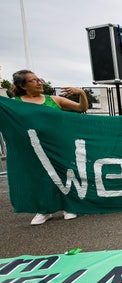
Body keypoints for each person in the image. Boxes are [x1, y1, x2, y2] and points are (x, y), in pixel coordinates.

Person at [10, 69, 88, 225]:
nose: (39, 83)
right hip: (32, 148)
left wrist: (81, 93)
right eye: (34, 80)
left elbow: (81, 108)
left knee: (65, 173)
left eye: (40, 80)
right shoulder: (14, 104)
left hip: (58, 145)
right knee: (39, 177)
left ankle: (69, 206)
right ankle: (44, 210)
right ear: (23, 86)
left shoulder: (53, 100)